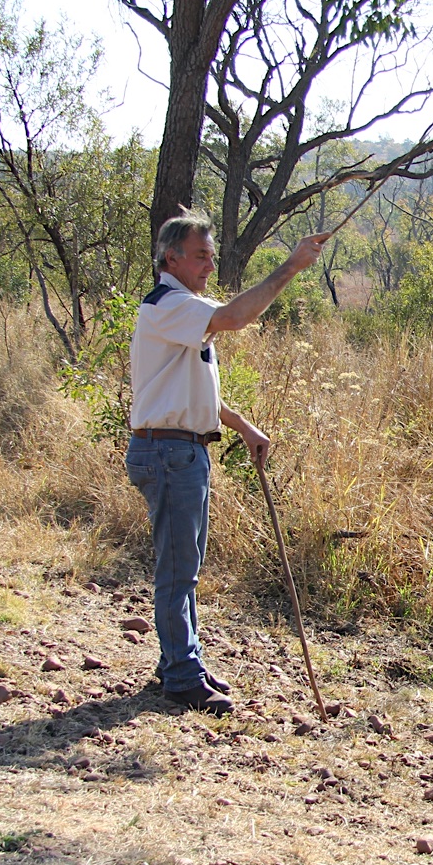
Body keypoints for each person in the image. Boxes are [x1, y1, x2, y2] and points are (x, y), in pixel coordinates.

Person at [126, 211, 329, 714]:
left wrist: (243, 426)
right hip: (169, 452)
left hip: (181, 450)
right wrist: (291, 267)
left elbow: (192, 390)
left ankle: (180, 662)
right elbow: (237, 316)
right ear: (170, 258)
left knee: (185, 568)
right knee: (178, 571)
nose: (209, 267)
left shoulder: (183, 310)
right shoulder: (169, 305)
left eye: (211, 257)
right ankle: (181, 676)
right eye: (201, 256)